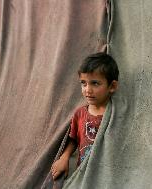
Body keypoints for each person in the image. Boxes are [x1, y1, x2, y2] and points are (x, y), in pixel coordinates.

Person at [51, 52, 119, 180]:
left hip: (108, 176)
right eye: (83, 83)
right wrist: (64, 158)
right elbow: (74, 139)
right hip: (84, 176)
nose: (87, 89)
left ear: (112, 86)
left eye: (95, 83)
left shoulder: (116, 114)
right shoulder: (80, 114)